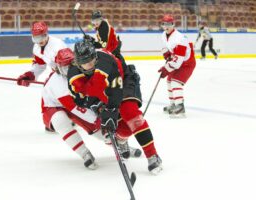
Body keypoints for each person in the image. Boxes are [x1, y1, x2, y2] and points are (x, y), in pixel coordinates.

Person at [67, 40, 162, 175]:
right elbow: (81, 100)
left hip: (123, 80)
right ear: (77, 62)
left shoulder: (105, 61)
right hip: (102, 90)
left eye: (92, 60)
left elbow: (116, 90)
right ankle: (122, 139)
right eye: (84, 62)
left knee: (131, 114)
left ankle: (152, 155)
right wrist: (100, 109)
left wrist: (111, 109)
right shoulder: (73, 75)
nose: (89, 65)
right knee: (122, 128)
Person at [158, 14, 196, 118]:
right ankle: (173, 104)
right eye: (164, 24)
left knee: (175, 82)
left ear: (173, 24)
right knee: (169, 81)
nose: (167, 27)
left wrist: (166, 69)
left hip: (187, 64)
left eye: (169, 24)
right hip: (178, 61)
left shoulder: (180, 38)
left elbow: (178, 61)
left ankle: (180, 106)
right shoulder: (163, 35)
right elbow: (165, 48)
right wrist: (167, 56)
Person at [16, 21, 66, 88]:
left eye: (42, 37)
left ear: (46, 34)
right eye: (36, 38)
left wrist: (53, 79)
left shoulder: (57, 46)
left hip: (68, 77)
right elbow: (40, 65)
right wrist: (30, 75)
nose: (39, 41)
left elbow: (67, 67)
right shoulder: (36, 48)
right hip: (58, 74)